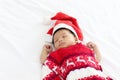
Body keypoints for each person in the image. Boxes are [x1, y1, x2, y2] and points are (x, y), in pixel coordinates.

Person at [40, 12, 112, 80]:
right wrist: (45, 50)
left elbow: (97, 59)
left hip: (93, 74)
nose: (60, 40)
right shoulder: (57, 54)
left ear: (75, 38)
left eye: (64, 36)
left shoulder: (84, 48)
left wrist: (95, 47)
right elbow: (44, 61)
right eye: (56, 40)